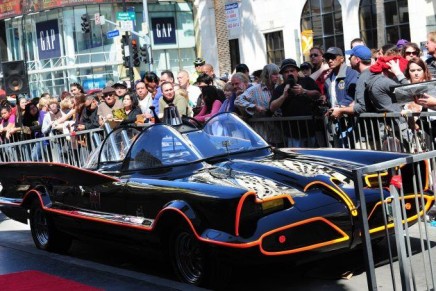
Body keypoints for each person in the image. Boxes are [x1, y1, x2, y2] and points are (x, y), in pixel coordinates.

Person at [269, 58, 321, 147]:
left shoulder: (307, 81)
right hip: (292, 134)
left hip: (310, 130)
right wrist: (283, 96)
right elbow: (272, 107)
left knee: (313, 157)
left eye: (292, 70)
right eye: (286, 72)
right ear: (282, 75)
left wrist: (304, 91)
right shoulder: (279, 89)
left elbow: (317, 94)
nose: (289, 73)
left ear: (297, 72)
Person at [235, 63, 281, 144]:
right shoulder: (255, 89)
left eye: (278, 74)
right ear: (267, 75)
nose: (277, 76)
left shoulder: (279, 88)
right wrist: (254, 107)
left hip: (278, 134)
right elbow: (238, 101)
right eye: (274, 74)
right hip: (262, 134)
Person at [323, 47, 359, 147]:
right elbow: (330, 96)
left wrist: (341, 107)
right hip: (335, 119)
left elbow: (352, 94)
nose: (330, 60)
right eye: (327, 58)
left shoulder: (351, 73)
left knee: (351, 150)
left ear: (342, 58)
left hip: (350, 119)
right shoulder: (329, 77)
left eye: (333, 57)